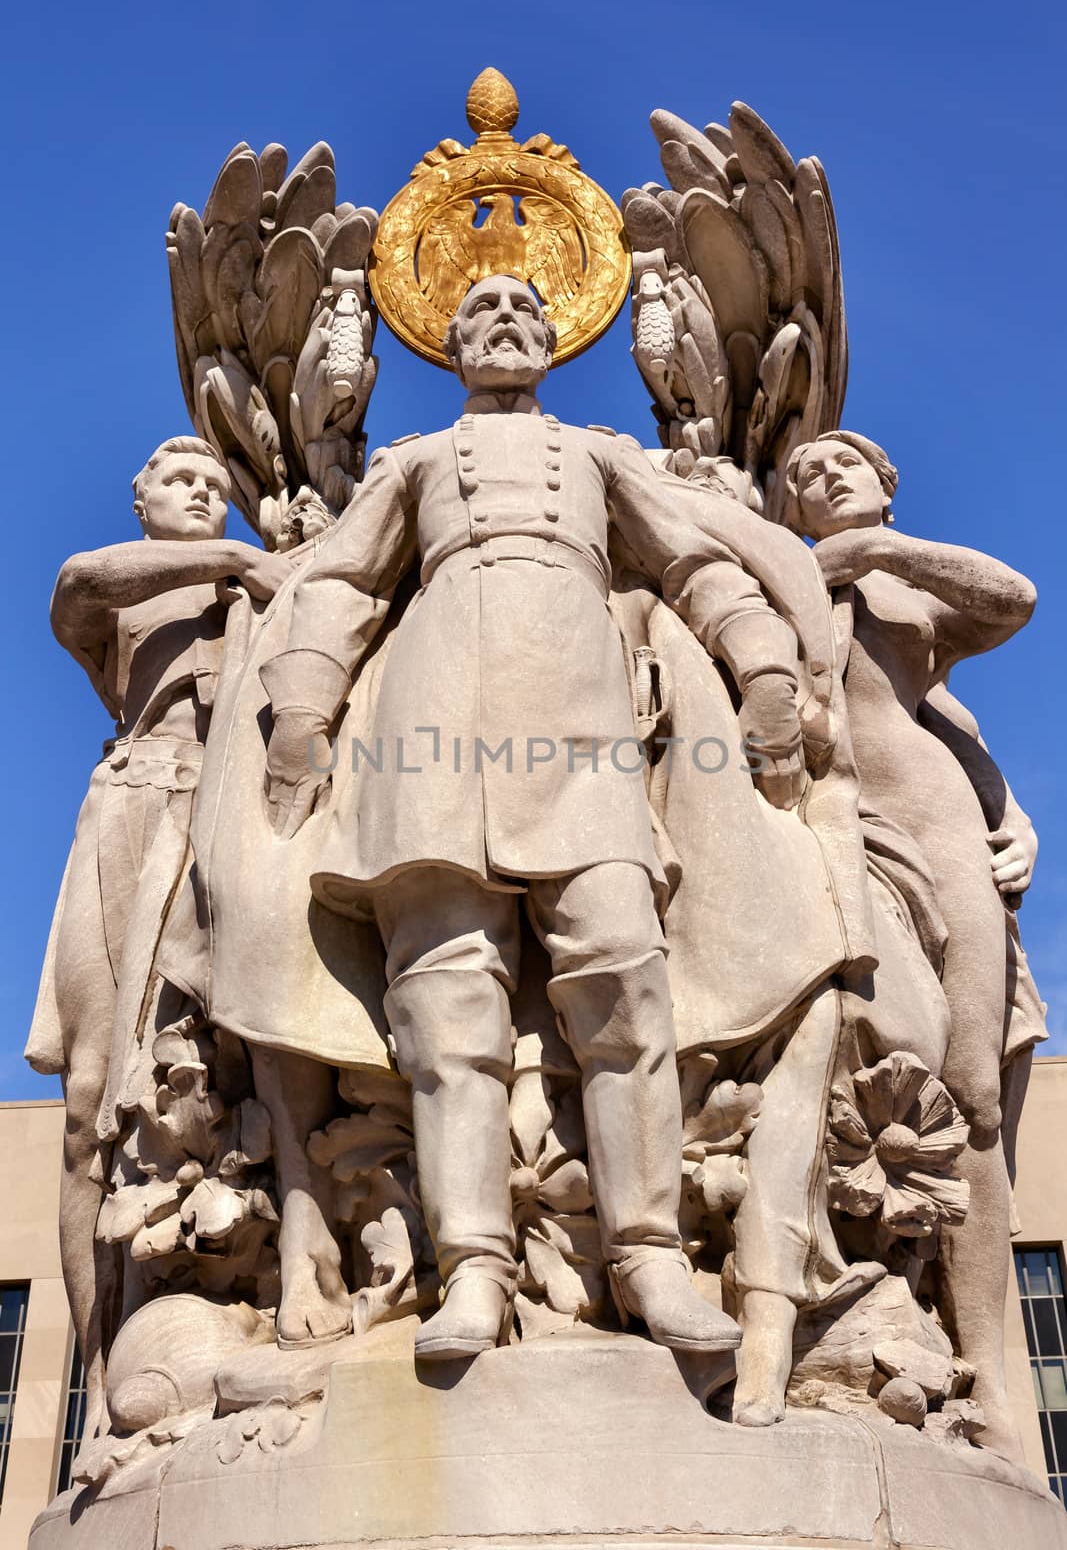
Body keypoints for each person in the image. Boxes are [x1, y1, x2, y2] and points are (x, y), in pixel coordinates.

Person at [259, 274, 811, 1361]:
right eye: (482, 309)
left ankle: (647, 1254)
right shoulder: (411, 463)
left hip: (581, 724)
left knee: (622, 977)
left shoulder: (601, 455)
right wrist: (302, 706)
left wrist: (760, 665)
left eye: (525, 305)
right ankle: (470, 1267)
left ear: (558, 341)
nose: (506, 315)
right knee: (447, 996)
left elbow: (693, 560)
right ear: (447, 345)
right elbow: (341, 584)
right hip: (433, 732)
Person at [780, 429, 1038, 1457]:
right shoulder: (776, 579)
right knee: (875, 1070)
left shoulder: (902, 595)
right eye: (801, 474)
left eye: (843, 464)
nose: (820, 476)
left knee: (968, 1098)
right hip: (834, 845)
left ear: (885, 487)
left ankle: (992, 1384)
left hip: (936, 845)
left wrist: (872, 552)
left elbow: (1010, 599)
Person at [26, 437, 287, 1435]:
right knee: (90, 1105)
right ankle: (101, 1386)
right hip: (134, 810)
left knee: (220, 1085)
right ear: (140, 496)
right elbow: (76, 580)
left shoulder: (252, 601)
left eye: (219, 489)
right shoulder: (138, 592)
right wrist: (233, 558)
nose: (206, 496)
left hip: (224, 823)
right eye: (183, 482)